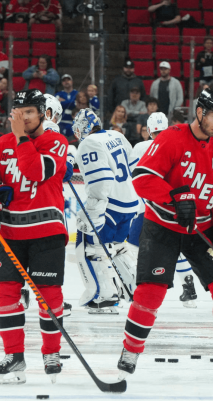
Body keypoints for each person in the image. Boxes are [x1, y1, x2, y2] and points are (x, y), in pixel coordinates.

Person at [117, 88, 213, 381]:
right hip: (162, 226)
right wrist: (175, 196)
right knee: (150, 292)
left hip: (200, 229)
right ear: (200, 112)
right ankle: (131, 349)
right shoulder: (172, 138)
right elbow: (142, 179)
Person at [0, 89, 68, 384]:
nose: (23, 117)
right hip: (10, 233)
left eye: (29, 111)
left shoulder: (56, 142)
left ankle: (51, 353)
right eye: (19, 112)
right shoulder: (2, 144)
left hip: (46, 231)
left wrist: (20, 137)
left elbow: (35, 170)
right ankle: (15, 357)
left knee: (48, 297)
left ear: (41, 113)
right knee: (4, 294)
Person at [71, 108, 140, 313]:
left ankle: (104, 296)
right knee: (117, 246)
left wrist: (92, 211)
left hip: (111, 204)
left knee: (88, 246)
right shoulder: (117, 135)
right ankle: (136, 290)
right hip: (130, 202)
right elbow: (134, 166)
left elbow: (101, 180)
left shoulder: (88, 143)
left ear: (83, 127)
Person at [128, 112, 200, 307]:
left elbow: (136, 178)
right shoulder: (177, 143)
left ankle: (135, 288)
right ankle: (188, 285)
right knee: (175, 249)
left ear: (149, 129)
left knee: (132, 248)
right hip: (173, 207)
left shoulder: (141, 147)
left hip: (148, 209)